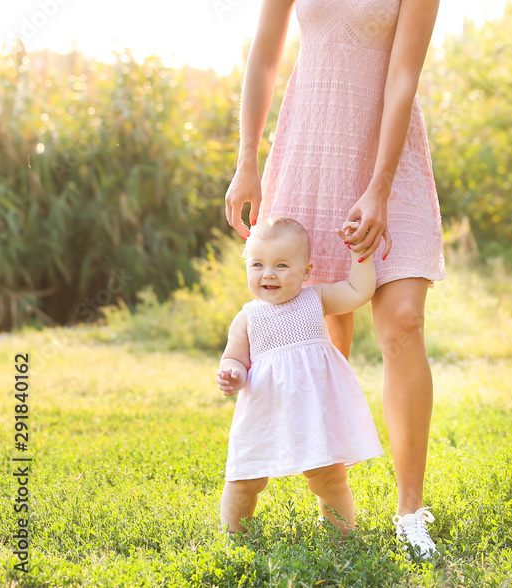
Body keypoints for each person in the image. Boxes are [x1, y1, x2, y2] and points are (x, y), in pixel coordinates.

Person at [223, 0, 445, 558]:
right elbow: (264, 59)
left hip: (390, 162)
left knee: (403, 320)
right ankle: (335, 502)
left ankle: (410, 511)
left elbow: (402, 75)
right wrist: (247, 158)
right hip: (309, 150)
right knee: (326, 332)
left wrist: (379, 186)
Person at [216, 217, 381, 536]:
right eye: (258, 264)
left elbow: (358, 290)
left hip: (313, 411)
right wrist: (233, 373)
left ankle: (340, 536)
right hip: (265, 411)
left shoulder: (316, 299)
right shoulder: (247, 317)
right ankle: (234, 537)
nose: (268, 274)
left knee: (329, 478)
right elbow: (234, 356)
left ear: (306, 271)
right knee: (245, 477)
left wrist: (359, 253)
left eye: (281, 265)